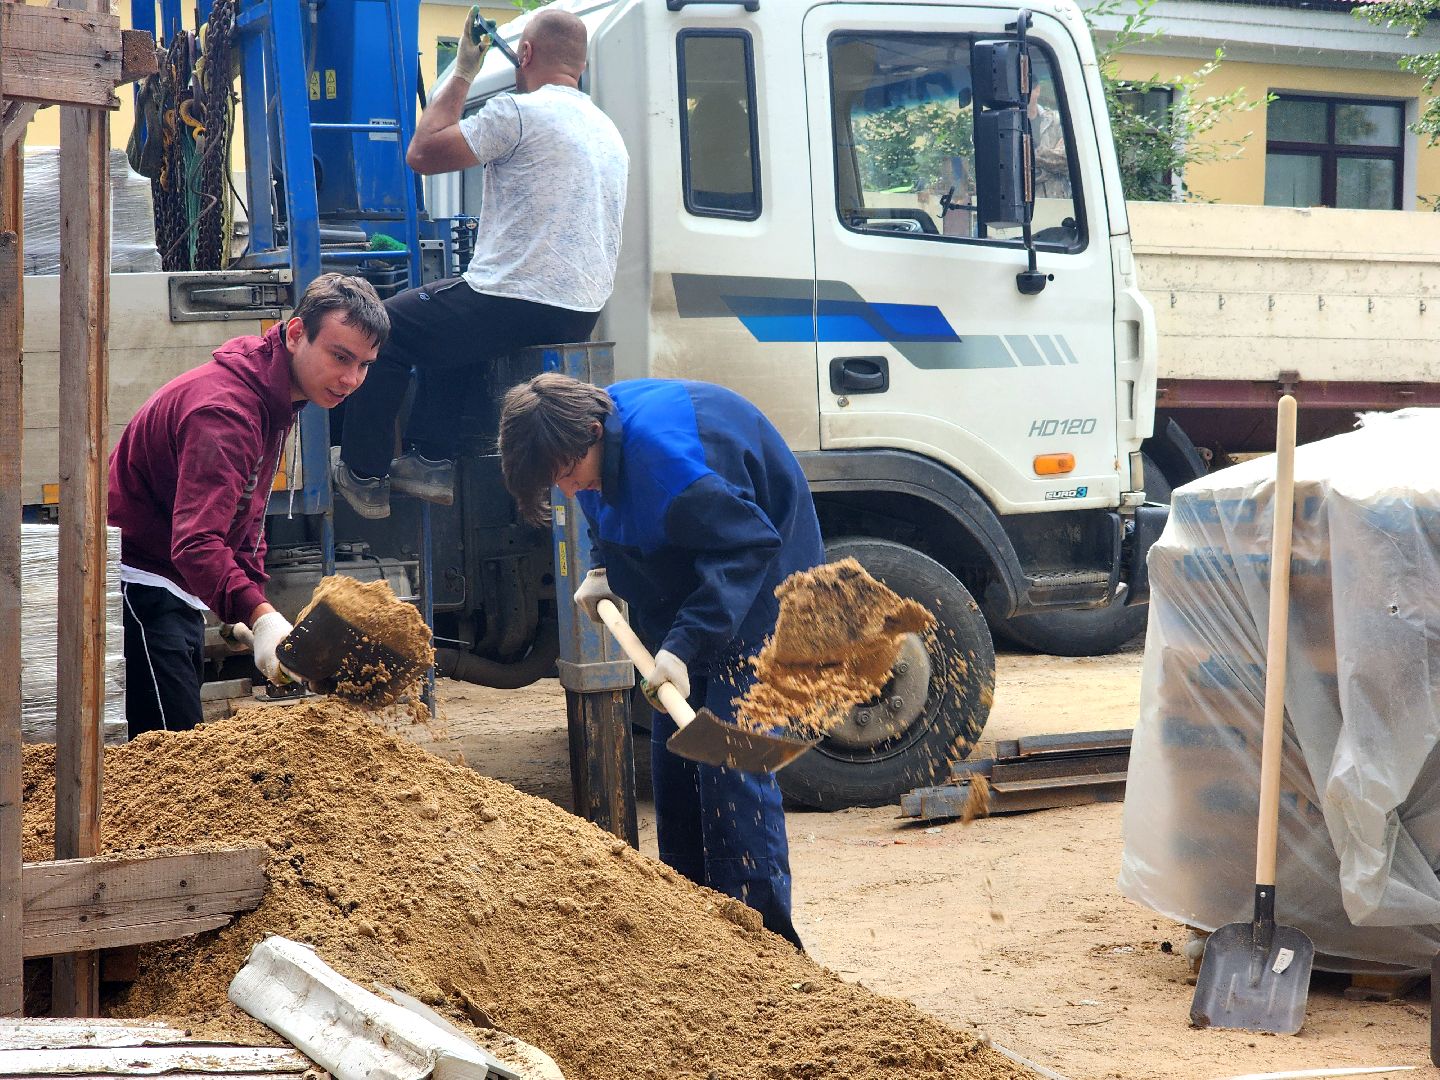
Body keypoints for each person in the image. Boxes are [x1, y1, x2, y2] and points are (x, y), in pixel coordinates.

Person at [497, 373, 825, 949]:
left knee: (731, 765)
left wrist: (681, 647)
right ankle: (698, 938)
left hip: (764, 588)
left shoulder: (672, 467)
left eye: (568, 474)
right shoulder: (584, 436)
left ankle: (768, 951)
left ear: (595, 434)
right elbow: (603, 501)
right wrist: (601, 565)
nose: (568, 490)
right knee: (676, 761)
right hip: (694, 577)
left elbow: (748, 546)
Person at [332, 7, 629, 520]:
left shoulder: (520, 111)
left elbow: (422, 151)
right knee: (454, 320)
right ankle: (429, 458)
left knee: (389, 326)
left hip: (516, 297)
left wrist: (464, 69)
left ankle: (364, 472)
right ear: (579, 64)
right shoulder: (606, 129)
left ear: (526, 54)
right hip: (579, 311)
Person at [108, 274, 389, 735]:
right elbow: (197, 544)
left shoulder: (272, 395)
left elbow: (246, 519)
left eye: (365, 364)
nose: (351, 379)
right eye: (340, 357)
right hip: (142, 587)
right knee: (169, 759)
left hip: (169, 584)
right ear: (297, 333)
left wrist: (252, 609)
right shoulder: (228, 411)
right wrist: (260, 618)